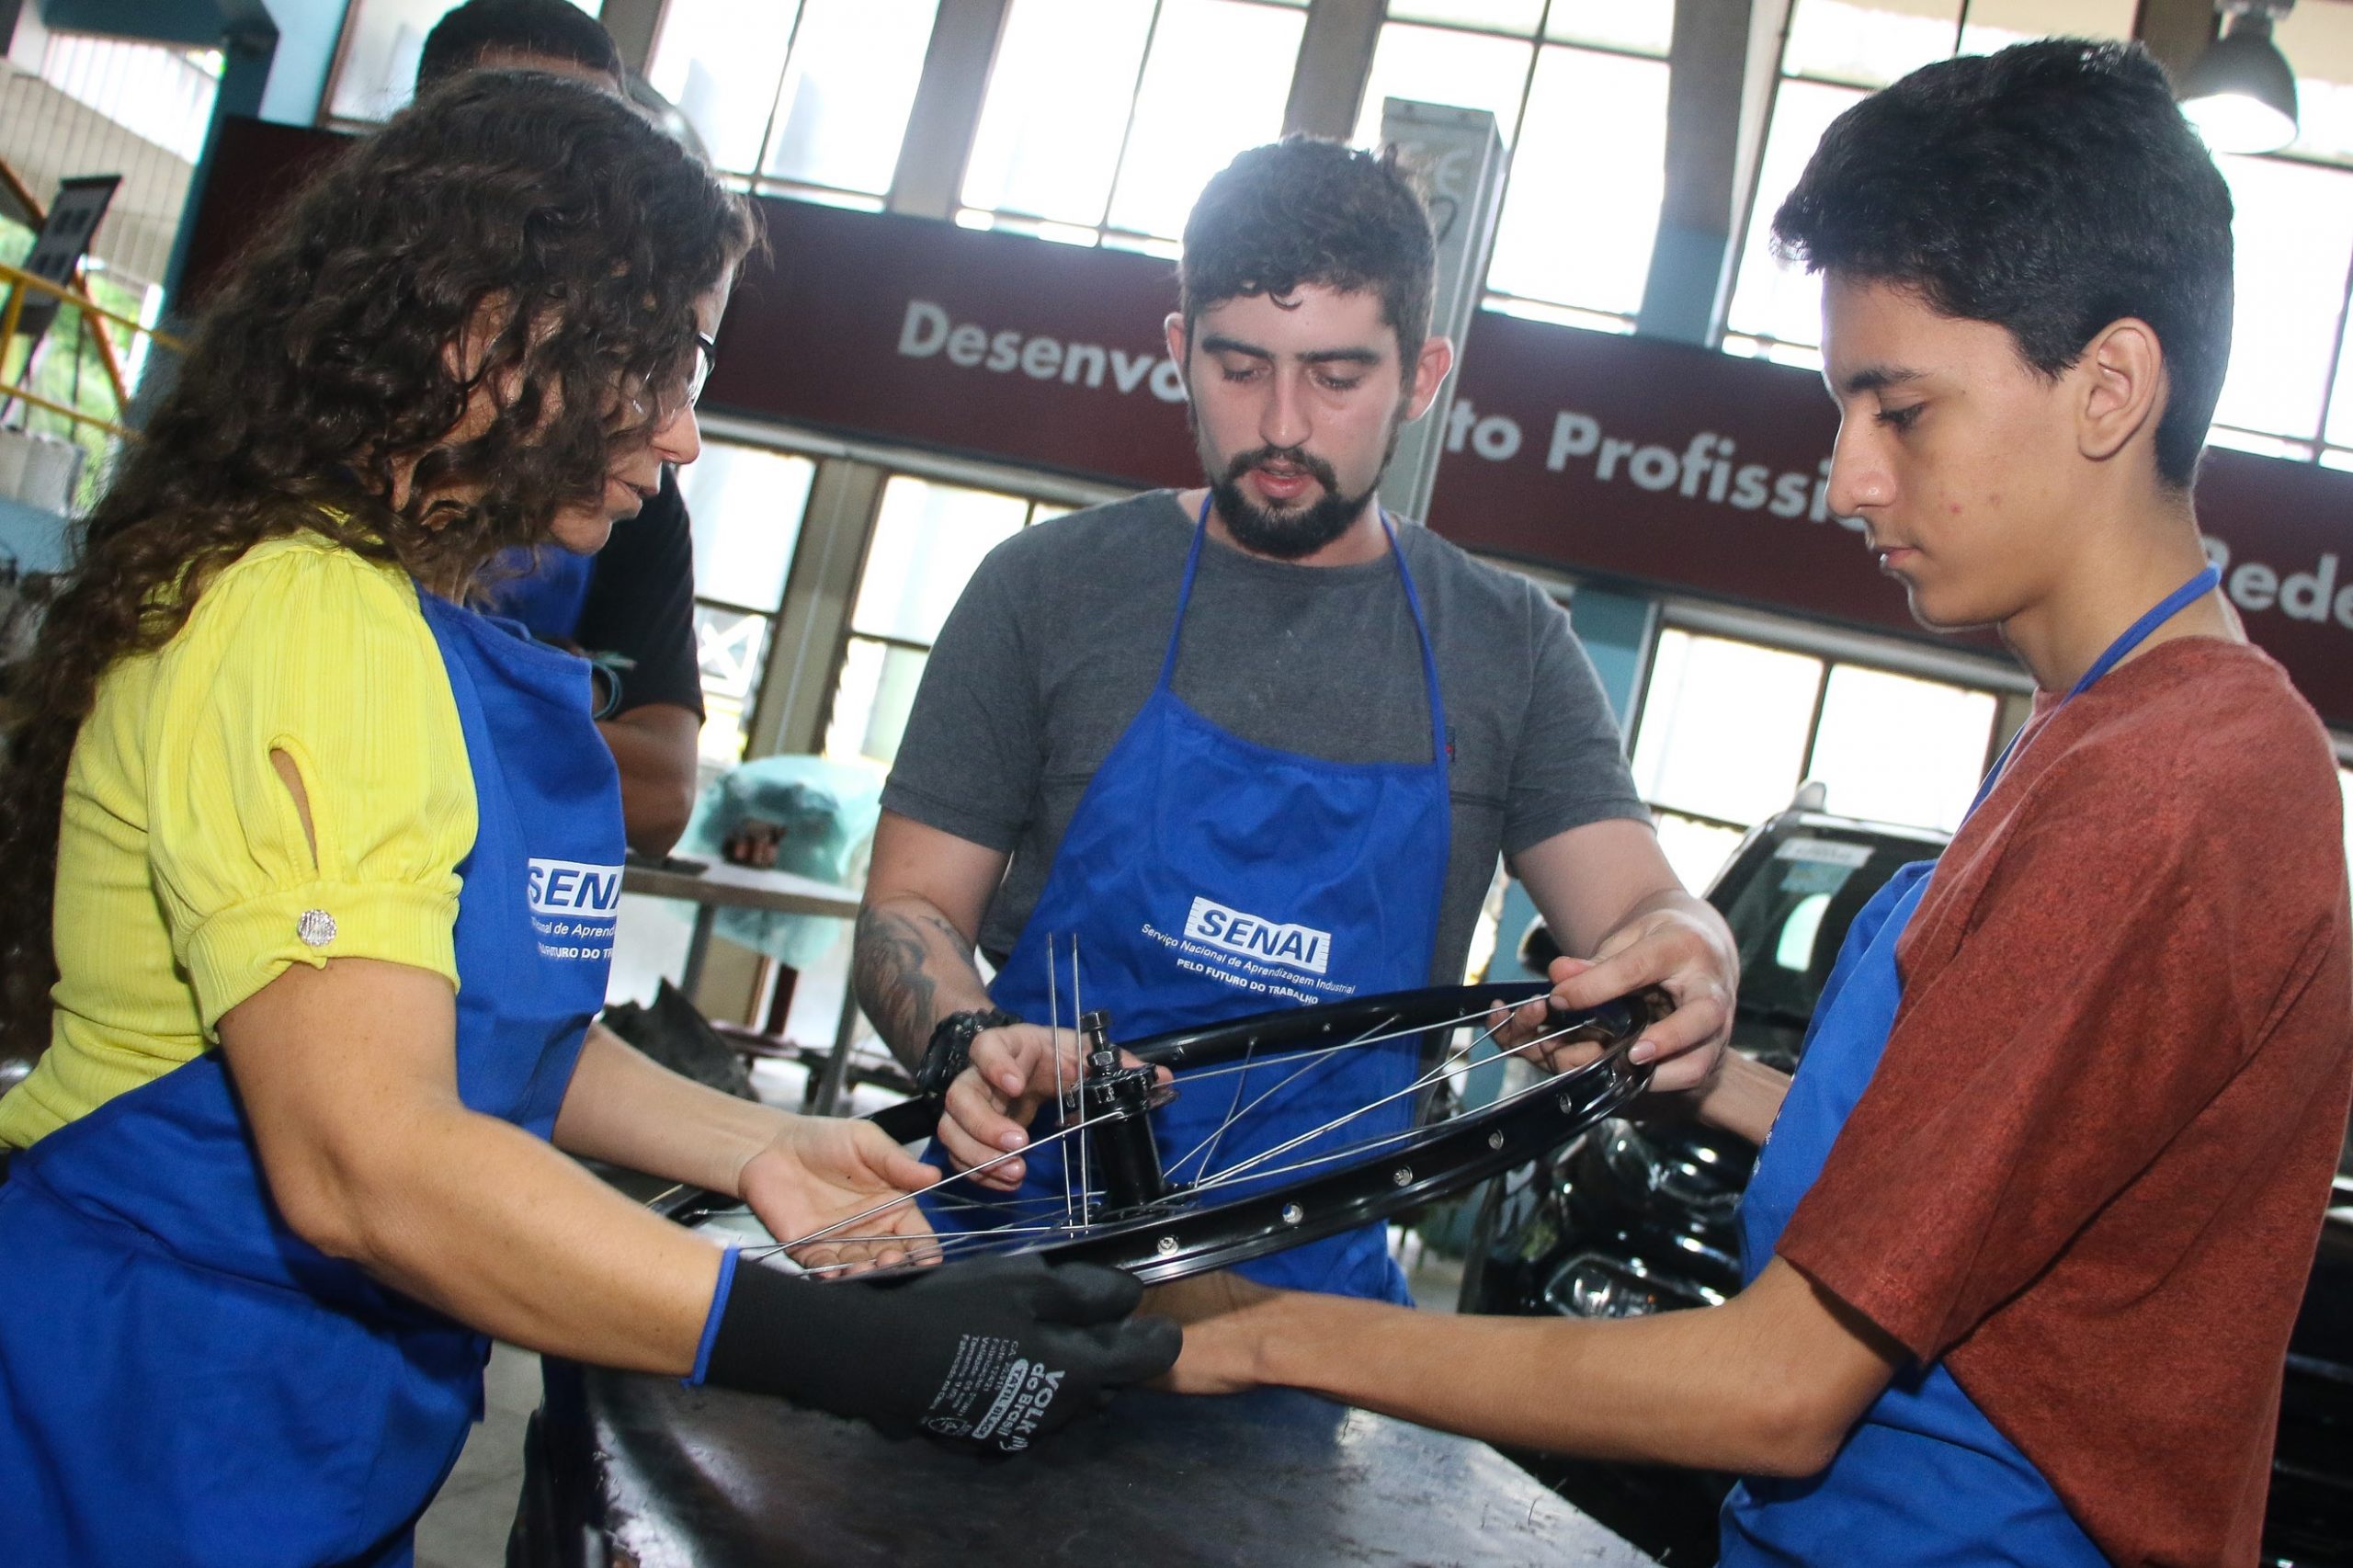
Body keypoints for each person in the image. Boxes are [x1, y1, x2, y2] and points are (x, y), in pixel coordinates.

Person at [1159, 40, 2353, 1567]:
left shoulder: (2169, 790)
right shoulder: (2111, 736)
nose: (1847, 478)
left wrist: (1262, 1332)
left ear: (2109, 387)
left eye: (1899, 409)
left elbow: (1780, 1389)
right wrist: (1699, 1075)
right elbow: (1990, 1186)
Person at [0, 74, 1174, 1567]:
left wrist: (769, 1145)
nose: (684, 436)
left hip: (308, 1440)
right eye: (661, 361)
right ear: (491, 332)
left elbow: (496, 1030)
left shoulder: (433, 627)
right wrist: (845, 1348)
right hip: (118, 1436)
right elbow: (365, 1158)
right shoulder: (299, 625)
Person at [854, 136, 1739, 1303]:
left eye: (1334, 377)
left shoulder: (1506, 645)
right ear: (1178, 351)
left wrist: (1700, 943)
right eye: (1238, 367)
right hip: (1011, 1241)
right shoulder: (1046, 589)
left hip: (1309, 1293)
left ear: (1421, 377)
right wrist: (965, 1041)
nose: (1279, 425)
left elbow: (1637, 907)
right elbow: (907, 909)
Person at [418, 0, 708, 859]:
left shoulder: (629, 491)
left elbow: (661, 797)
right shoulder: (289, 507)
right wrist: (549, 705)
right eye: (533, 160)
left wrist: (454, 695)